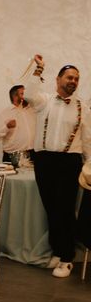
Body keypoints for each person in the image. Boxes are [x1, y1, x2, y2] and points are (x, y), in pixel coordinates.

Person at [24, 57, 91, 278]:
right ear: (58, 79)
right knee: (51, 208)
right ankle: (58, 249)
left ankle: (66, 258)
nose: (73, 81)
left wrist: (89, 164)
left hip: (69, 161)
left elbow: (88, 140)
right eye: (70, 77)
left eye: (77, 79)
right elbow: (28, 95)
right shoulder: (44, 101)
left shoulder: (83, 107)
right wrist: (37, 71)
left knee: (64, 208)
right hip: (44, 160)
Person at [0, 85, 37, 163]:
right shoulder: (5, 113)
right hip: (12, 156)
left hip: (33, 154)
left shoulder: (32, 111)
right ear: (15, 96)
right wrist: (7, 127)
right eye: (23, 94)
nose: (27, 96)